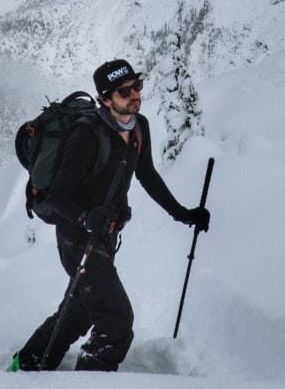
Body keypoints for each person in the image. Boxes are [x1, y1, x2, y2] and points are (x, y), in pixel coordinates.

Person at [12, 59, 212, 372]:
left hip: (105, 235)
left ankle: (25, 366)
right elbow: (58, 195)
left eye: (137, 85)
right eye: (124, 90)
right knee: (117, 321)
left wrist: (182, 213)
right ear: (105, 99)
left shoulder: (139, 127)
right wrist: (84, 217)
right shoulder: (87, 136)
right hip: (77, 238)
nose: (134, 94)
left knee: (79, 311)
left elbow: (147, 174)